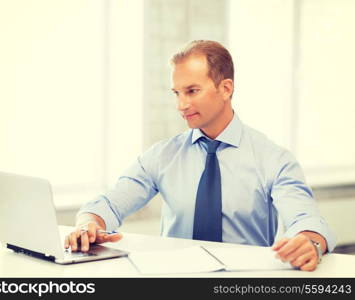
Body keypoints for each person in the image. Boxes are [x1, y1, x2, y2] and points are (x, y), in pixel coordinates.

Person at [64, 40, 336, 271]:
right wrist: (88, 224)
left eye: (192, 91)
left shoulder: (273, 159)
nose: (181, 105)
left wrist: (309, 241)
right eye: (177, 93)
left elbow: (305, 219)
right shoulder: (163, 155)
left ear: (226, 88)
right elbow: (108, 204)